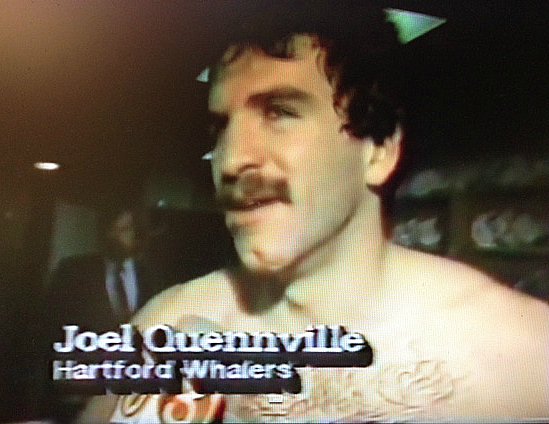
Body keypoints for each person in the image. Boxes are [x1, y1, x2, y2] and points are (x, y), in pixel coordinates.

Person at [81, 4, 549, 422]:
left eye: (280, 112)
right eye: (220, 127)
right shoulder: (163, 327)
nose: (230, 160)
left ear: (378, 149)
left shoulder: (521, 356)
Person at [47, 206, 162, 422]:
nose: (115, 237)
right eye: (112, 229)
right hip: (82, 394)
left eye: (124, 229)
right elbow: (50, 331)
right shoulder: (73, 271)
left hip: (130, 395)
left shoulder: (150, 277)